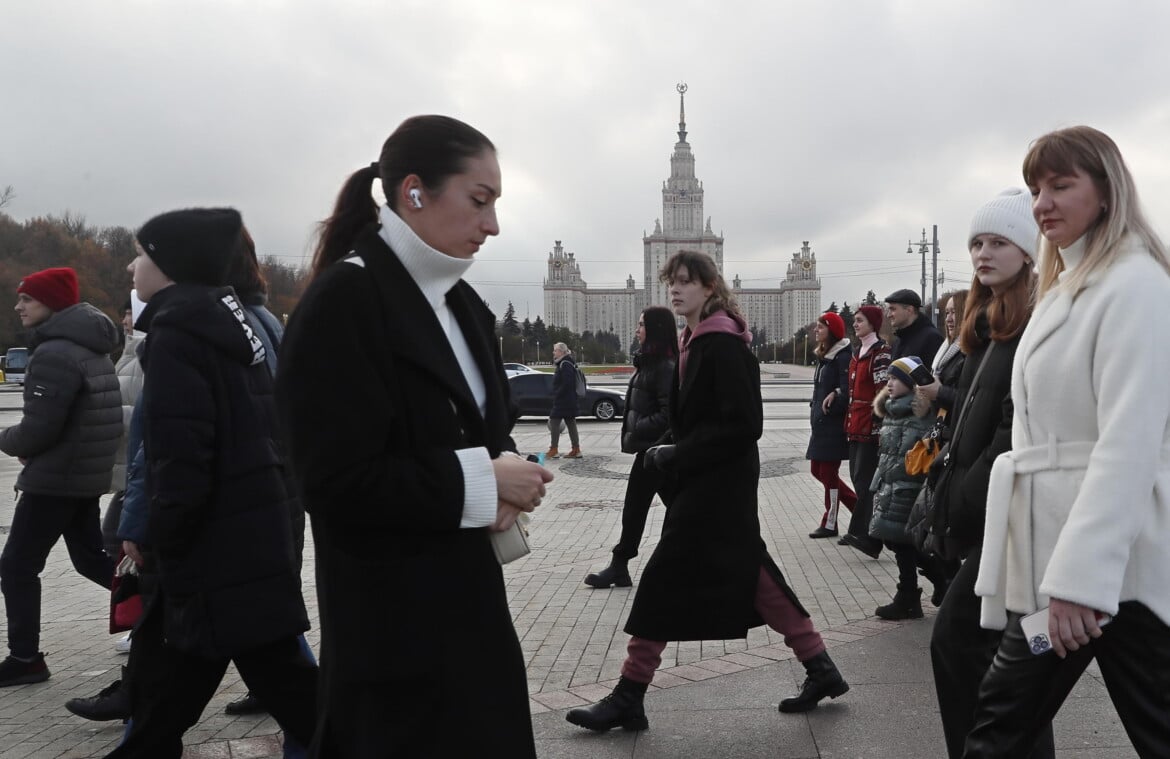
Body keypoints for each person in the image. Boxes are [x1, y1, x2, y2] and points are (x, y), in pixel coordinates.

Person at [274, 115, 552, 757]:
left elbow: (481, 430)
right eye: (479, 201)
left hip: (471, 618)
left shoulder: (461, 306)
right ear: (414, 192)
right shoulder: (344, 302)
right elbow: (334, 482)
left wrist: (502, 473)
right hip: (391, 638)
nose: (492, 224)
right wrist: (484, 481)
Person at [566, 250, 847, 734]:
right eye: (671, 282)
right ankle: (820, 667)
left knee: (658, 578)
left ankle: (629, 694)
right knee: (755, 573)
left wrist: (678, 452)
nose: (675, 290)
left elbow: (745, 426)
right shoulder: (694, 340)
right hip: (710, 481)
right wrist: (673, 449)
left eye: (685, 282)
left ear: (710, 287)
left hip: (719, 484)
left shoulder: (722, 345)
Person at [965, 127, 1170, 757]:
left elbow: (1129, 443)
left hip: (1105, 564)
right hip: (1069, 557)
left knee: (1001, 723)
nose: (1042, 203)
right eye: (1035, 189)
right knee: (1002, 720)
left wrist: (1080, 580)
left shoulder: (1134, 285)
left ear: (1106, 192)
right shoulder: (1074, 283)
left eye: (1060, 185)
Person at [105, 208, 318, 758]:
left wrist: (156, 536)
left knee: (293, 694)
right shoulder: (233, 325)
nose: (132, 266)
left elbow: (180, 456)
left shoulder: (178, 334)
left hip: (209, 551)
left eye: (143, 255)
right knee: (167, 693)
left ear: (173, 265)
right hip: (247, 535)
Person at [923, 188, 1053, 759]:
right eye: (976, 242)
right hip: (986, 517)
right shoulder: (991, 322)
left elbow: (1012, 427)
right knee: (1004, 675)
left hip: (1011, 520)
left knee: (964, 650)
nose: (982, 252)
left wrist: (967, 496)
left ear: (1029, 252)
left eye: (998, 241)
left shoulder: (1033, 322)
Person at [0, 267, 121, 687]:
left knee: (16, 565)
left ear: (50, 303)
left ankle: (25, 658)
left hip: (55, 479)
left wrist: (5, 439)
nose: (18, 306)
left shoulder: (54, 352)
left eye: (26, 299)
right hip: (82, 476)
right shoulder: (92, 346)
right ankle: (163, 611)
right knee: (91, 560)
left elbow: (38, 430)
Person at [584, 306, 677, 588]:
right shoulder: (649, 363)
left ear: (656, 330)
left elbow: (669, 414)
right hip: (649, 452)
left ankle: (626, 564)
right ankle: (621, 566)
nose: (637, 329)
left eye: (641, 325)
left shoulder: (665, 367)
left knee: (666, 510)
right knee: (644, 508)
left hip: (659, 453)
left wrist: (639, 428)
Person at [868, 357, 934, 620]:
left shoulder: (920, 415)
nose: (889, 383)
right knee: (896, 541)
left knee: (904, 543)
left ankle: (909, 596)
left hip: (909, 489)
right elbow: (887, 454)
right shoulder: (891, 410)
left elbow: (922, 456)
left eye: (896, 378)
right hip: (891, 487)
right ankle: (938, 581)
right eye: (889, 378)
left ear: (911, 383)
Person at [840, 304, 890, 558]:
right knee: (859, 480)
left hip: (870, 427)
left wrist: (879, 426)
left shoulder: (880, 353)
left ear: (873, 323)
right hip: (855, 424)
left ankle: (869, 536)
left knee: (865, 482)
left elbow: (883, 391)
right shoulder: (857, 352)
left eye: (860, 320)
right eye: (855, 321)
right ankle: (866, 533)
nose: (856, 324)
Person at [805, 311, 856, 539]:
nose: (816, 330)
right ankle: (860, 510)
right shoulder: (826, 356)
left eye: (821, 327)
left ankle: (830, 522)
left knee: (828, 473)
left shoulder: (842, 357)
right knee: (818, 470)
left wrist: (834, 398)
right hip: (821, 425)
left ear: (832, 331)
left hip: (833, 426)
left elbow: (847, 391)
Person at [884, 288, 943, 363]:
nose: (888, 315)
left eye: (893, 309)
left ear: (909, 310)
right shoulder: (898, 341)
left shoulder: (932, 339)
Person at [546, 342, 582, 458]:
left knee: (554, 421)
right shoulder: (566, 362)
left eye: (555, 350)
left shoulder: (565, 363)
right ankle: (576, 449)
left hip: (563, 400)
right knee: (571, 423)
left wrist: (557, 394)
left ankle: (554, 449)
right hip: (569, 399)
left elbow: (567, 382)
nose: (553, 352)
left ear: (561, 351)